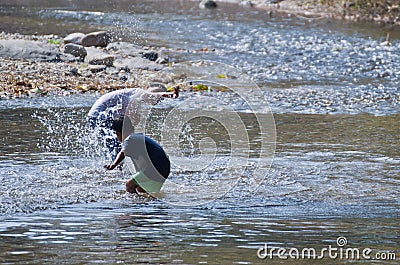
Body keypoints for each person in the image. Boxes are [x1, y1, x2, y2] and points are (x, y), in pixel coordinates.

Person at [87, 84, 178, 158]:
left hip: (99, 117)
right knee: (116, 145)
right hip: (99, 117)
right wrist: (170, 94)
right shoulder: (139, 92)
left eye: (160, 99)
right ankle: (116, 170)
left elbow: (128, 121)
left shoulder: (135, 100)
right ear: (148, 89)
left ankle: (114, 169)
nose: (157, 99)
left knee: (118, 145)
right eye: (157, 95)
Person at [104, 117, 170, 195]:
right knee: (142, 189)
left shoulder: (129, 139)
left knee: (129, 185)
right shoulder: (137, 138)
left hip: (156, 168)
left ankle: (135, 205)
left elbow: (122, 153)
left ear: (117, 133)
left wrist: (113, 165)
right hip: (164, 168)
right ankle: (149, 204)